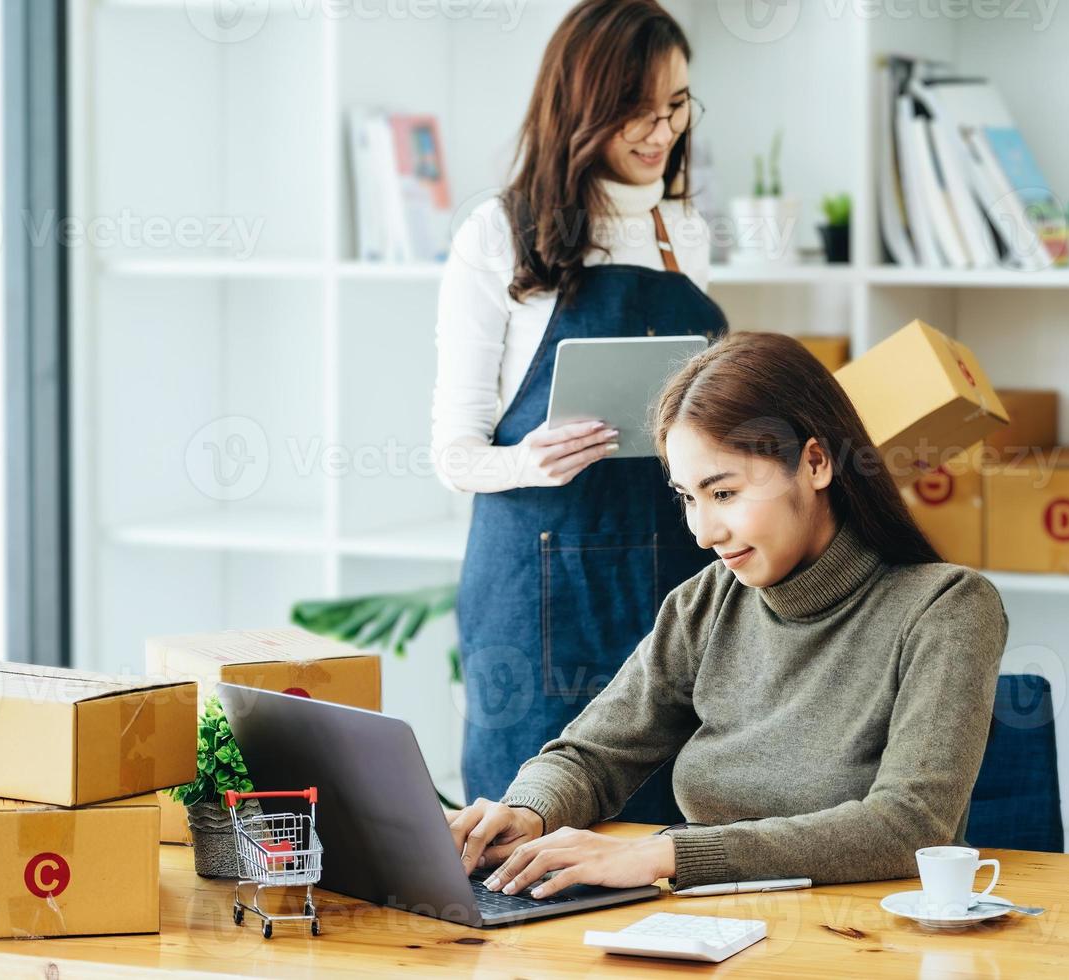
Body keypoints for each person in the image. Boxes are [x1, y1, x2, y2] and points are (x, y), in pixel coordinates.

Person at [446, 332, 1009, 897]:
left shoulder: (947, 608)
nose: (703, 532)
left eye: (724, 494)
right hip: (707, 930)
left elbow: (909, 826)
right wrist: (528, 811)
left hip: (862, 938)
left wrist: (664, 854)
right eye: (688, 497)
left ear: (814, 463)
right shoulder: (706, 603)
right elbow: (593, 755)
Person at [431, 0, 725, 825]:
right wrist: (533, 457)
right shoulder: (498, 235)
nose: (661, 130)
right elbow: (454, 455)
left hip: (671, 579)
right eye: (639, 109)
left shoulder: (682, 232)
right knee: (520, 838)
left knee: (666, 841)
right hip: (536, 588)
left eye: (676, 106)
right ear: (583, 104)